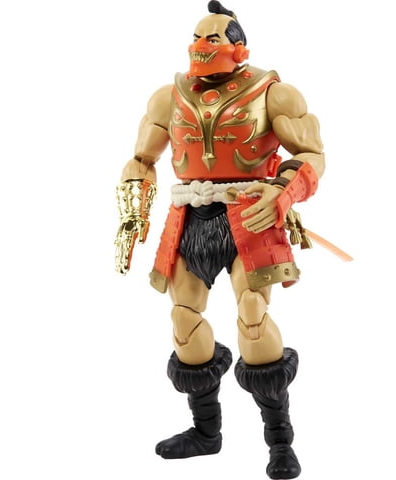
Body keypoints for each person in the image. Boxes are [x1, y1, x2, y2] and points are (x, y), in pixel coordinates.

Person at [115, 2, 325, 478]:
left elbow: (312, 153)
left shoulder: (273, 93)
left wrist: (283, 189)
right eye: (197, 37)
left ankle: (280, 441)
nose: (201, 46)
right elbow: (141, 160)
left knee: (253, 317)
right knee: (184, 322)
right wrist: (133, 208)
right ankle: (206, 432)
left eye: (213, 38)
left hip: (248, 217)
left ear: (239, 47)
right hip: (191, 217)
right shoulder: (168, 97)